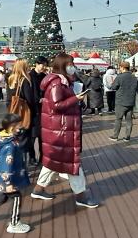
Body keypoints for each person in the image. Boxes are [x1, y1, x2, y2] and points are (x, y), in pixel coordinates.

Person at [30, 53, 99, 208]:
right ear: (62, 65)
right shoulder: (57, 83)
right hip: (61, 129)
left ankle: (38, 189)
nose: (72, 66)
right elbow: (57, 105)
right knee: (72, 163)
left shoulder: (63, 81)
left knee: (53, 162)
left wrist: (77, 100)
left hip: (60, 128)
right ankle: (80, 195)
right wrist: (76, 99)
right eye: (70, 64)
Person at [7, 60, 37, 164]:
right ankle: (23, 164)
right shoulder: (24, 80)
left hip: (13, 112)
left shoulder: (11, 79)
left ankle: (14, 162)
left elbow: (8, 99)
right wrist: (33, 111)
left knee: (15, 137)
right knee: (25, 138)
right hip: (24, 114)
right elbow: (29, 99)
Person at [110, 61, 138, 141]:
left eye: (120, 67)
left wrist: (113, 84)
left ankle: (115, 136)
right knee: (129, 120)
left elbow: (113, 87)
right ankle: (127, 137)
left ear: (122, 67)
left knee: (118, 119)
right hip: (130, 101)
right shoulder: (134, 77)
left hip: (121, 102)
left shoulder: (120, 77)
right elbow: (137, 89)